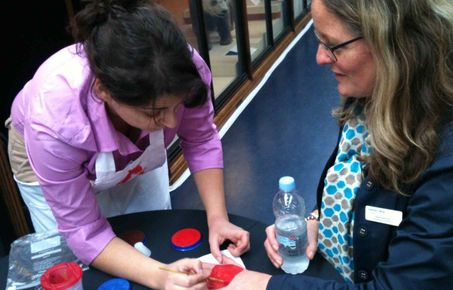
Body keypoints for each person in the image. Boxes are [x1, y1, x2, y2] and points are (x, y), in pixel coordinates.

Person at [5, 0, 249, 288]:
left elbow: (200, 138)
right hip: (50, 151)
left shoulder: (182, 70)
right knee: (75, 266)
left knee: (150, 234)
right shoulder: (53, 121)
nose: (172, 123)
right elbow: (84, 230)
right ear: (104, 91)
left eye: (177, 107)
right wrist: (161, 276)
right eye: (155, 112)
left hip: (124, 140)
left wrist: (218, 218)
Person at [216, 0, 453, 289]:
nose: (319, 58)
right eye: (319, 41)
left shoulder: (444, 158)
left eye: (333, 45)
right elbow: (360, 191)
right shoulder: (370, 96)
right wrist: (316, 220)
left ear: (394, 44)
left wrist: (263, 286)